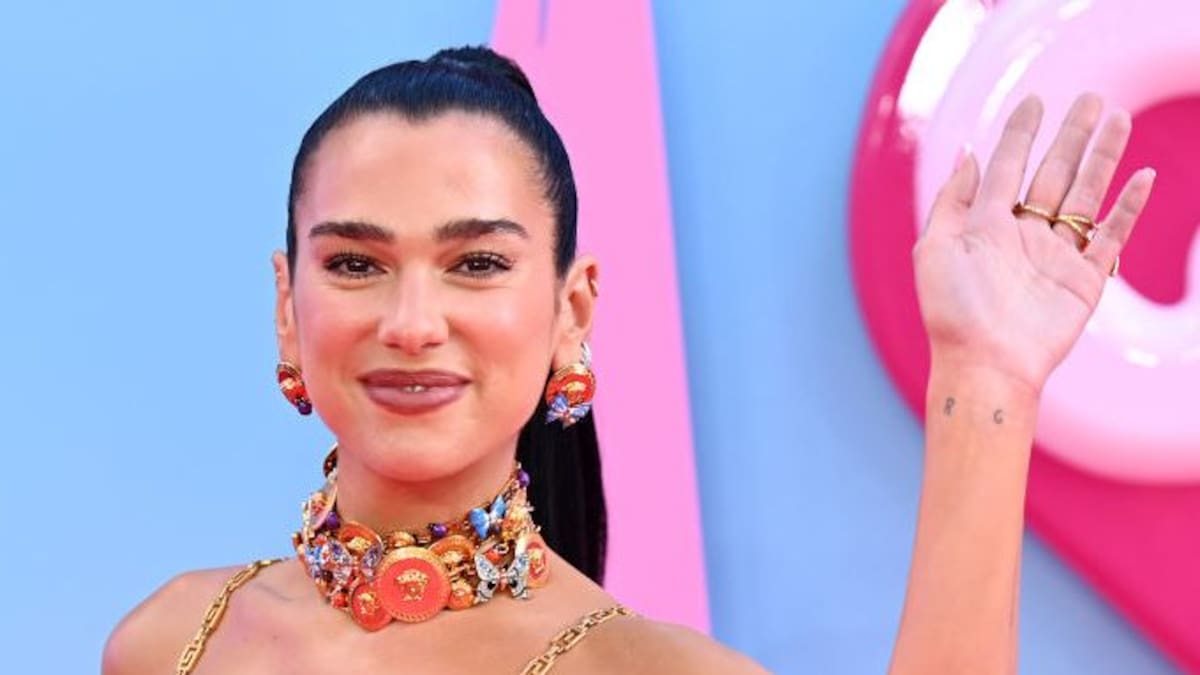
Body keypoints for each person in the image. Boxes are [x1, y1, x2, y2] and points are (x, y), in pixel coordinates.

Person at [101, 43, 1152, 673]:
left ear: (572, 312)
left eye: (476, 263)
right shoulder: (173, 640)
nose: (413, 322)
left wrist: (985, 376)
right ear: (288, 308)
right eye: (355, 264)